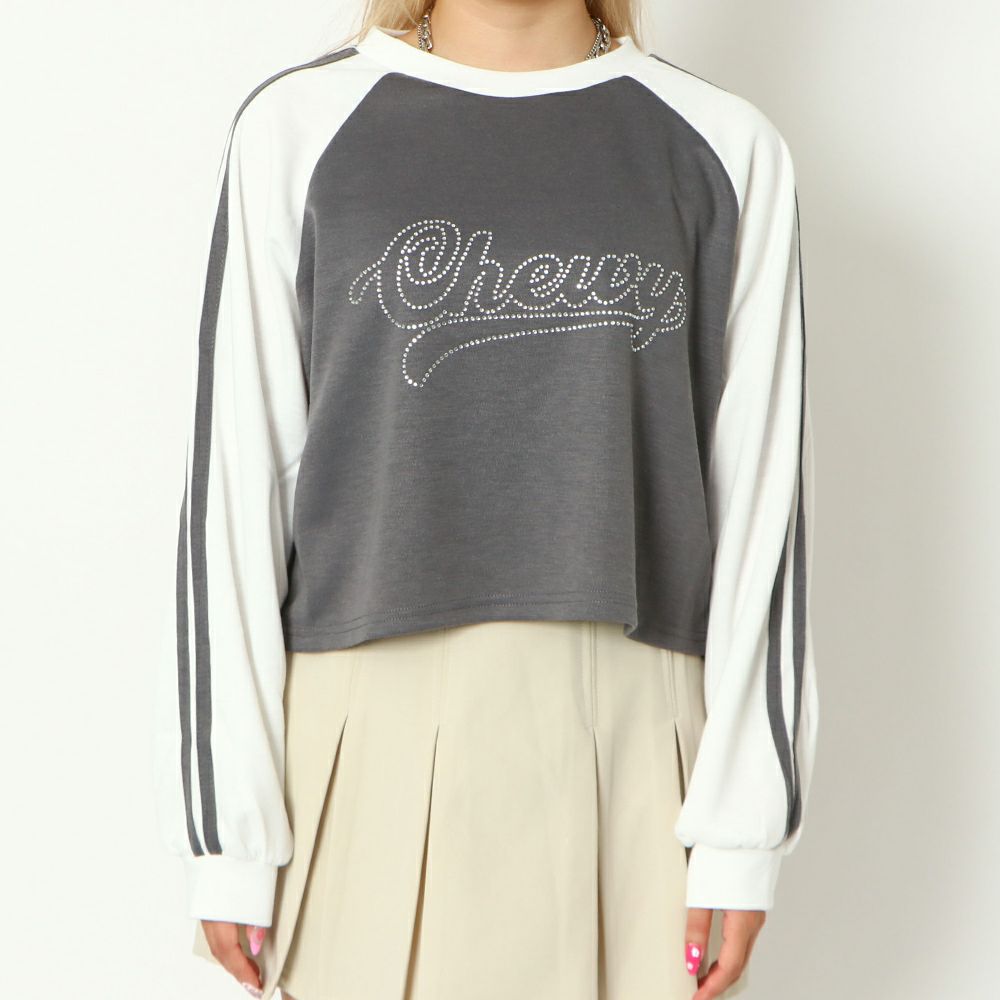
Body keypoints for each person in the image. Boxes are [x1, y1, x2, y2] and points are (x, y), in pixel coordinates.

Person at [152, 1, 819, 998]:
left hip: (640, 745)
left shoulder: (725, 145)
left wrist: (742, 830)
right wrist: (227, 835)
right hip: (363, 735)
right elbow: (236, 483)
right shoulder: (297, 126)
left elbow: (763, 503)